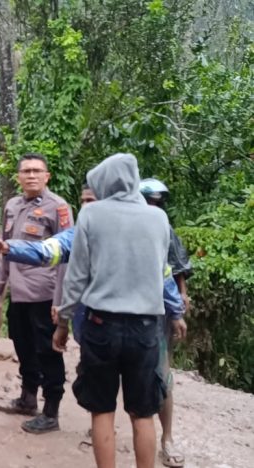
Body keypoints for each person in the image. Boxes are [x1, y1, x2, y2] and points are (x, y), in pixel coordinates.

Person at [53, 153, 172, 468]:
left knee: (102, 409)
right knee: (143, 412)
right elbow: (160, 270)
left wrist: (63, 322)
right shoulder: (158, 218)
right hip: (146, 328)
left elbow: (77, 276)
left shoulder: (91, 214)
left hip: (101, 324)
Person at [0, 153, 73, 434]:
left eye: (37, 171)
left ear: (47, 176)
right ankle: (27, 399)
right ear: (18, 177)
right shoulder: (12, 205)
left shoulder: (58, 207)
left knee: (48, 352)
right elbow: (6, 249)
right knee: (23, 347)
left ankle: (51, 411)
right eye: (26, 171)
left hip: (45, 295)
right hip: (19, 294)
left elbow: (66, 256)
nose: (31, 176)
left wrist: (61, 303)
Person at [139, 178, 192, 468]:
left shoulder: (164, 227)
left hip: (158, 311)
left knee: (163, 374)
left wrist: (180, 303)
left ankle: (166, 438)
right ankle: (105, 424)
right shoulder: (123, 225)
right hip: (125, 311)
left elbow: (176, 268)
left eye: (156, 202)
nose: (152, 206)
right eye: (148, 200)